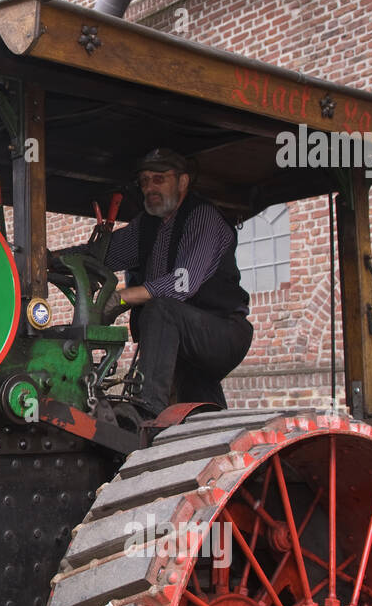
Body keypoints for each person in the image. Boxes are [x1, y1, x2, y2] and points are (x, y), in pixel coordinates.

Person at [63, 148, 253, 416]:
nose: (149, 187)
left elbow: (183, 282)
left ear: (183, 182)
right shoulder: (147, 226)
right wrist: (51, 259)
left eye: (159, 179)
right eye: (144, 181)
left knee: (160, 310)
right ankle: (209, 433)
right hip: (185, 343)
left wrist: (120, 298)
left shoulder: (203, 217)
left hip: (223, 332)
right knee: (200, 414)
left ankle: (147, 410)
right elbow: (101, 256)